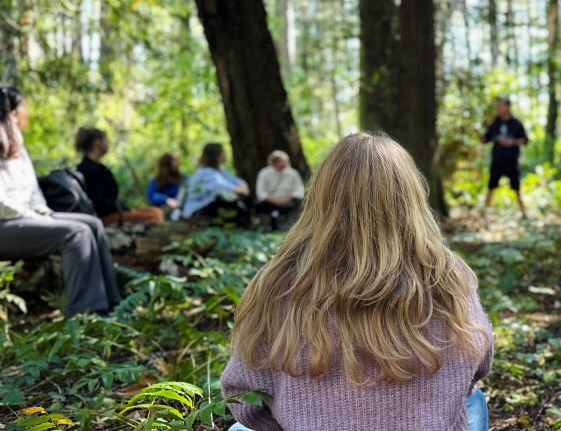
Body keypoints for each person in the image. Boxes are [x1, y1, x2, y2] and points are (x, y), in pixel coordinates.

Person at [220, 133, 493, 431]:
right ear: (411, 198)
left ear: (320, 198)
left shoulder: (278, 282)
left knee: (238, 429)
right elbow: (478, 364)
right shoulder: (447, 275)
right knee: (474, 401)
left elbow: (243, 398)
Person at [0, 86, 121, 316]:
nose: (27, 111)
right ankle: (84, 313)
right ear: (12, 113)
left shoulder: (17, 144)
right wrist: (31, 216)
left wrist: (42, 213)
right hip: (5, 224)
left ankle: (113, 305)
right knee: (76, 233)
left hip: (26, 217)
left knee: (92, 224)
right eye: (24, 106)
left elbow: (32, 190)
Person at [75, 127, 164, 224]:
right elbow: (98, 202)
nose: (108, 143)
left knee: (155, 211)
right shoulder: (87, 169)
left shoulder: (100, 168)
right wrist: (121, 210)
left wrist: (127, 209)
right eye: (105, 140)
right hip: (102, 217)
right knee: (154, 216)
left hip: (113, 212)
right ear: (97, 143)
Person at [179, 143, 251, 226]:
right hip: (197, 209)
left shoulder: (221, 171)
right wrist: (241, 190)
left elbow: (239, 181)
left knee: (238, 199)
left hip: (209, 207)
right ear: (216, 156)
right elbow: (224, 186)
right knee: (225, 198)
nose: (225, 155)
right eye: (223, 153)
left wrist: (242, 188)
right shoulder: (204, 173)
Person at [480, 96, 528, 217]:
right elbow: (485, 139)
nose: (498, 108)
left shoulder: (516, 123)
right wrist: (477, 133)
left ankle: (523, 212)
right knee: (491, 186)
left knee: (516, 187)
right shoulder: (494, 123)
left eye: (500, 106)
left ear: (507, 107)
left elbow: (525, 140)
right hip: (497, 161)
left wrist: (512, 142)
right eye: (497, 106)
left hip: (512, 161)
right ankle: (485, 213)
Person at [254, 150, 305, 223]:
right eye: (282, 161)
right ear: (274, 162)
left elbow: (300, 190)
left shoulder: (293, 173)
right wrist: (274, 200)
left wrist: (288, 198)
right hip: (269, 201)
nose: (285, 164)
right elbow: (260, 192)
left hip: (289, 200)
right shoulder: (264, 173)